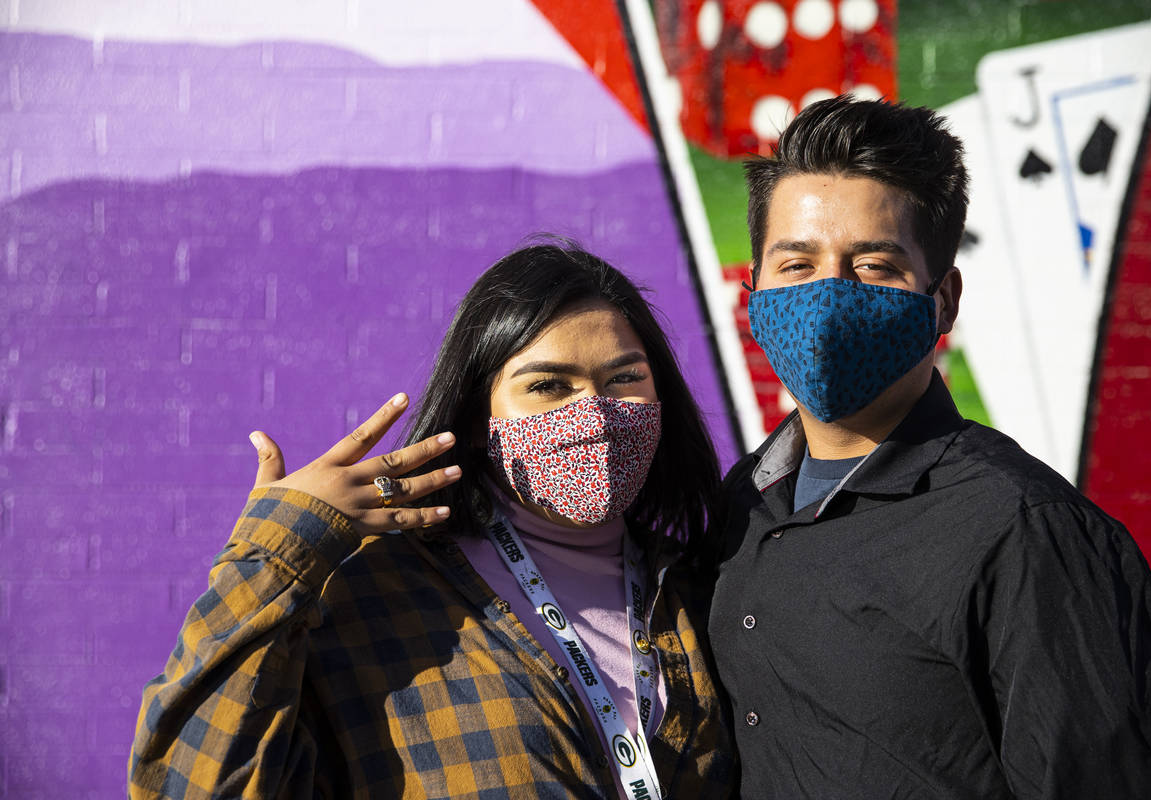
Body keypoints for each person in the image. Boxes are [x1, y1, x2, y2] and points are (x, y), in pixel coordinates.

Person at [128, 241, 735, 799]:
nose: (594, 414)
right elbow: (196, 786)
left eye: (623, 378)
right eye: (549, 386)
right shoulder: (368, 596)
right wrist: (280, 549)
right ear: (477, 416)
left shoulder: (709, 588)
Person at [709, 95, 1151, 798]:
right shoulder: (741, 506)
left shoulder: (1025, 532)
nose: (829, 295)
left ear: (944, 299)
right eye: (797, 265)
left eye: (873, 265)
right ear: (756, 291)